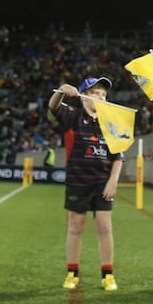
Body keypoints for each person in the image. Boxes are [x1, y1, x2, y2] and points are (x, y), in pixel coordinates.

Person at [48, 77, 124, 292]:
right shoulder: (73, 117)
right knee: (75, 227)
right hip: (77, 181)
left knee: (104, 227)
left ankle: (107, 274)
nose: (100, 97)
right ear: (83, 96)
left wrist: (112, 181)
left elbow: (118, 157)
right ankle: (72, 273)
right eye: (95, 92)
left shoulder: (111, 123)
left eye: (103, 94)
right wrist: (62, 90)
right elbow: (53, 105)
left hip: (103, 183)